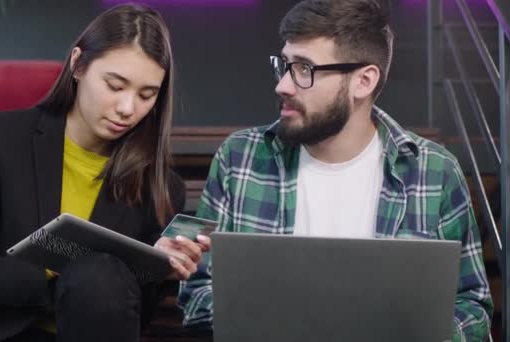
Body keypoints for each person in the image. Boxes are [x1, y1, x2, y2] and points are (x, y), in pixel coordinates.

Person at [178, 0, 493, 340]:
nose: (283, 85)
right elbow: (197, 292)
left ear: (363, 81)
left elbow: (472, 307)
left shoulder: (434, 171)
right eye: (284, 65)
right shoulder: (239, 159)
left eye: (304, 68)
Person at [0, 4, 210, 342]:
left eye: (146, 95)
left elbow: (131, 320)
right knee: (94, 270)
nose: (127, 108)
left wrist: (158, 268)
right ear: (78, 65)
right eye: (114, 85)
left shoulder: (160, 186)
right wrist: (59, 265)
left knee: (100, 275)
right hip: (0, 335)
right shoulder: (2, 140)